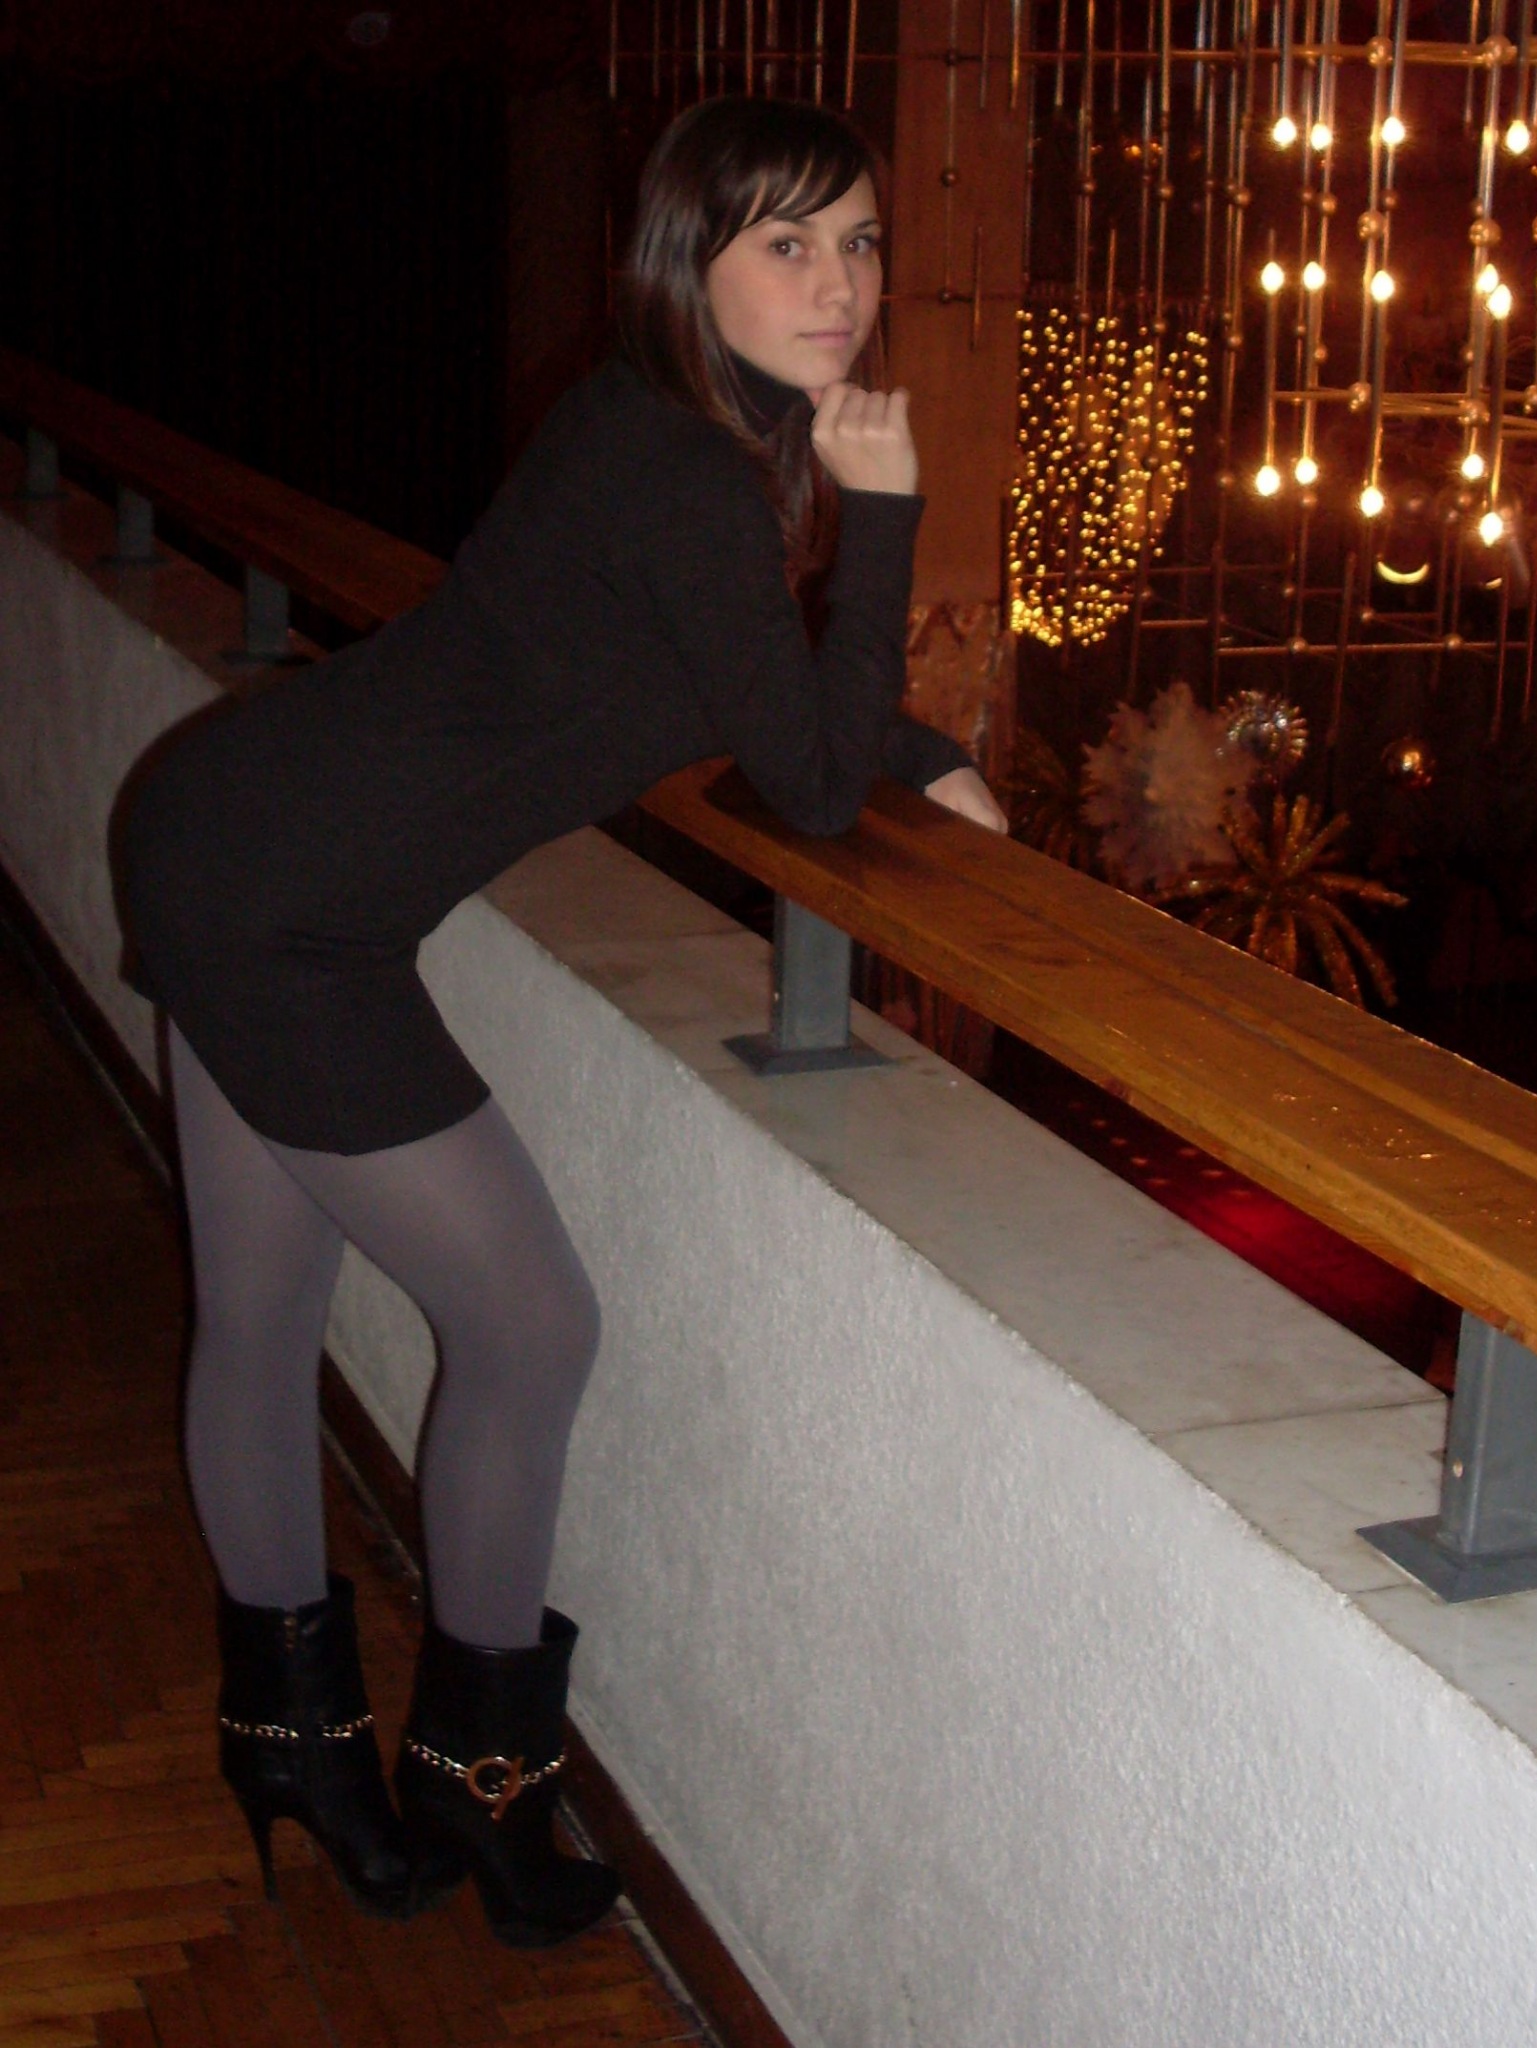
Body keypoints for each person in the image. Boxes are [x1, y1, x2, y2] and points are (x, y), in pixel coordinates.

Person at [118, 93, 1006, 1950]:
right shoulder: (684, 465)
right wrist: (888, 520)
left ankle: (297, 1752)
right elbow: (803, 780)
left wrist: (913, 746)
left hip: (243, 836)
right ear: (691, 258)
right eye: (788, 243)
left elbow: (725, 691)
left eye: (858, 243)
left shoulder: (667, 429)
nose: (840, 284)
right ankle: (480, 1776)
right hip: (283, 911)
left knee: (264, 1319)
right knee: (531, 1324)